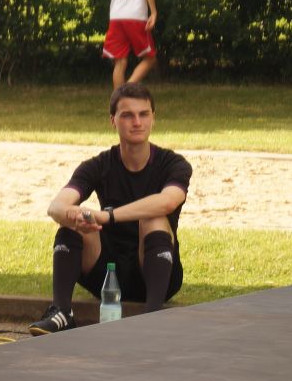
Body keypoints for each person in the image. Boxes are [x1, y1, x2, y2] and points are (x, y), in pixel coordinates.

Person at [30, 82, 190, 335]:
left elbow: (168, 200)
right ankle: (61, 312)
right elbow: (55, 207)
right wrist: (76, 216)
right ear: (113, 121)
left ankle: (153, 315)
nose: (137, 122)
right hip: (108, 277)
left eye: (143, 114)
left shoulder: (173, 164)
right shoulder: (99, 165)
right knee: (74, 220)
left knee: (154, 218)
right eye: (127, 115)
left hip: (157, 273)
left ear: (153, 118)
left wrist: (108, 216)